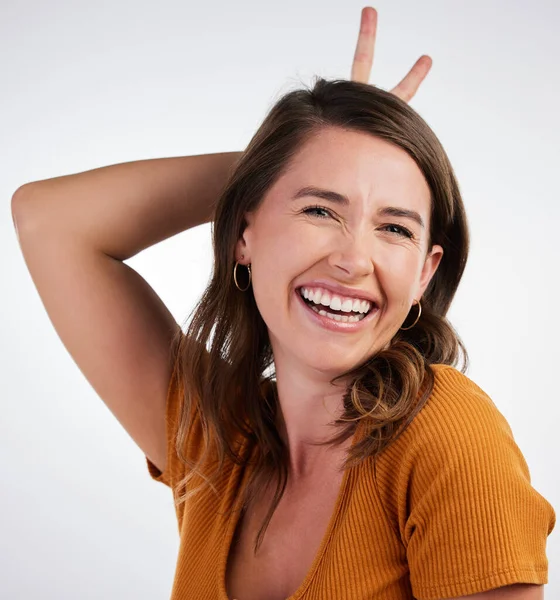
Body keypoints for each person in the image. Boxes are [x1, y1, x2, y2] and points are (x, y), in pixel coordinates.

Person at [11, 7, 555, 600]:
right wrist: (294, 155)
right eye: (320, 210)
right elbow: (48, 221)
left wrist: (324, 161)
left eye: (394, 228)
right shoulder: (215, 440)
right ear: (244, 236)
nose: (354, 259)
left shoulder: (446, 431)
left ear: (425, 274)